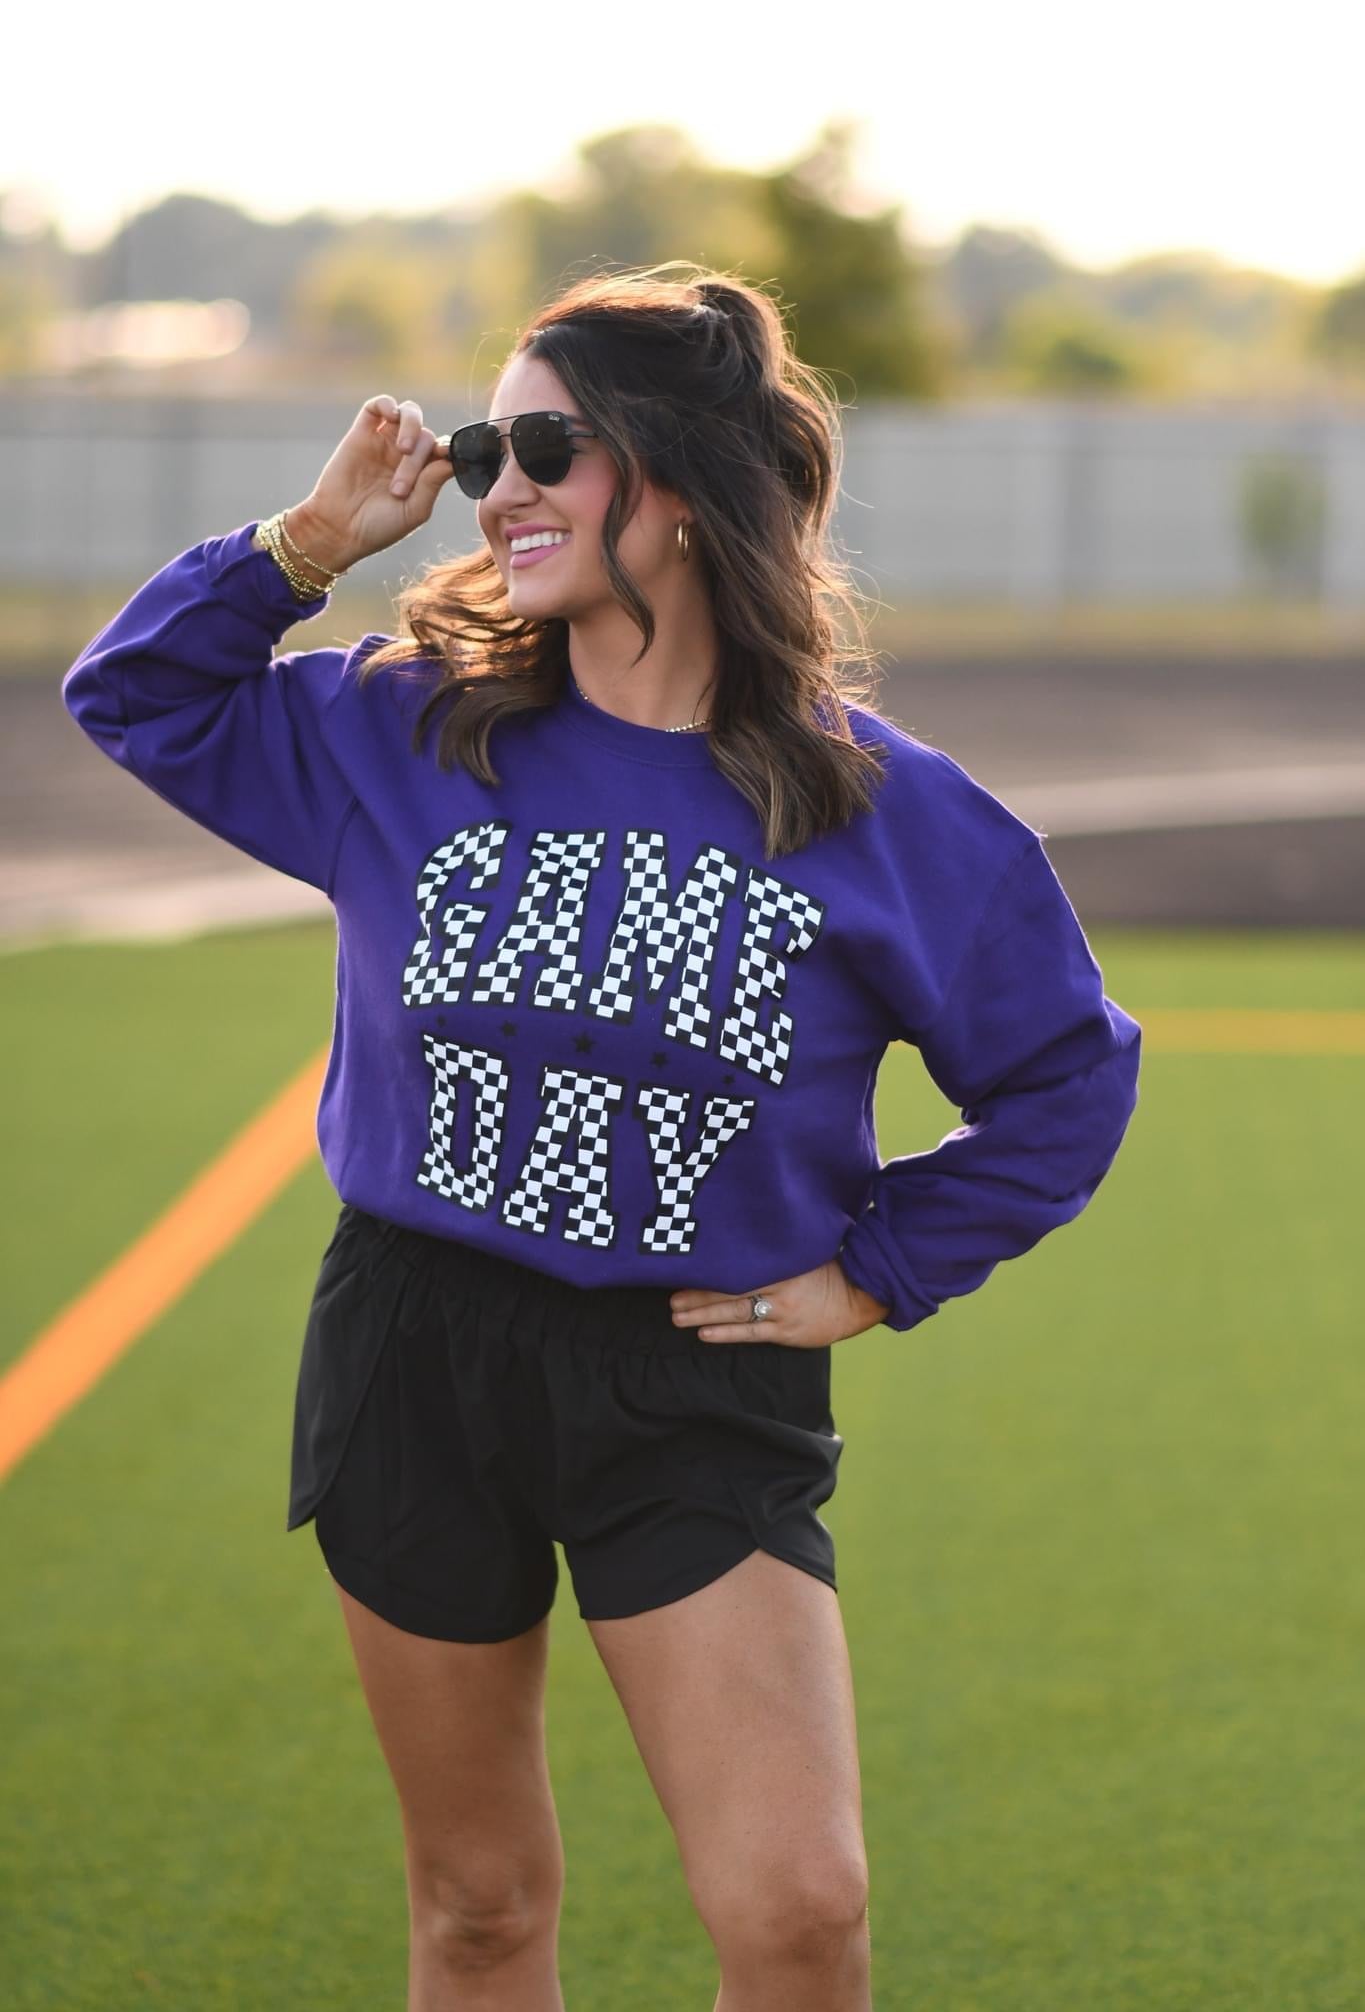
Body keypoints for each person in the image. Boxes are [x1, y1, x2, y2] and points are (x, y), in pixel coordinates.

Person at [61, 261, 1142, 2012]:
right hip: (417, 1350)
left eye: (549, 445)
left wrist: (875, 1275)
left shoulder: (881, 811)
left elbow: (1068, 1077)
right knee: (479, 1912)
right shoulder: (403, 729)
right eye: (491, 442)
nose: (500, 487)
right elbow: (141, 699)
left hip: (692, 1386)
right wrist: (312, 541)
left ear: (691, 479)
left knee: (799, 1919)